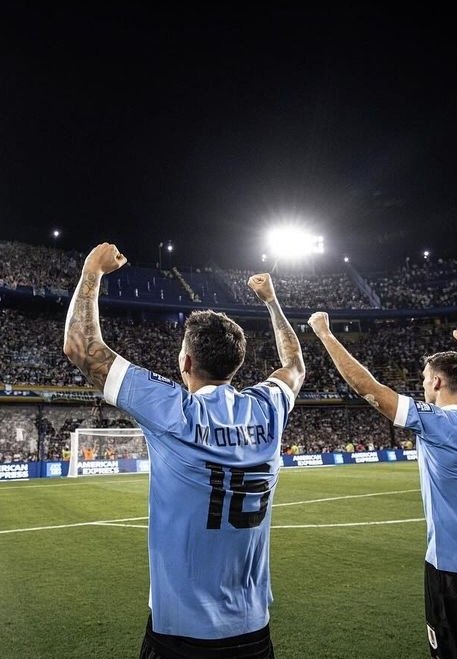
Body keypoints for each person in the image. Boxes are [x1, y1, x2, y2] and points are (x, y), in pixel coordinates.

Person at [63, 243, 304, 658]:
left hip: (181, 635)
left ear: (186, 363)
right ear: (237, 363)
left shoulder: (174, 409)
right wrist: (272, 302)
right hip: (253, 634)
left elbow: (81, 348)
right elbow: (295, 363)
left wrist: (91, 273)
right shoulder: (268, 408)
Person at [308, 315, 457, 659]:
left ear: (436, 382)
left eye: (422, 379)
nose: (421, 386)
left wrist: (324, 333)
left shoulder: (438, 422)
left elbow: (368, 388)